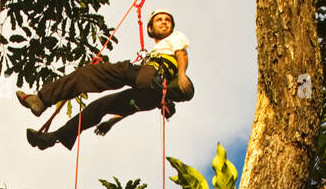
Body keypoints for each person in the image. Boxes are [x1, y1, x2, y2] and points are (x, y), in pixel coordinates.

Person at [17, 10, 194, 150]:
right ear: (150, 29)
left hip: (151, 76)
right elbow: (132, 107)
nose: (164, 22)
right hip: (149, 92)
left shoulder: (175, 37)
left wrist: (181, 75)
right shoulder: (155, 52)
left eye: (167, 20)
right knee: (99, 107)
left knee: (90, 73)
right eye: (159, 20)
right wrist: (110, 122)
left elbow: (181, 54)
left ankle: (42, 99)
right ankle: (52, 138)